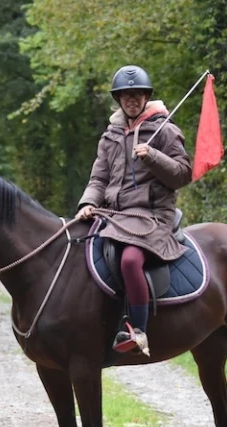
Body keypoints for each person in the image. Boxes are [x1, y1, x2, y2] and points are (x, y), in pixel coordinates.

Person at [77, 65, 192, 352]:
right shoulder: (111, 135)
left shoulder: (165, 131)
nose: (132, 100)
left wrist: (152, 156)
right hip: (114, 216)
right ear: (118, 99)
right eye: (126, 96)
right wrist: (89, 202)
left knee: (129, 261)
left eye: (137, 95)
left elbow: (183, 174)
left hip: (151, 217)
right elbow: (99, 178)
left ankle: (137, 332)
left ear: (146, 97)